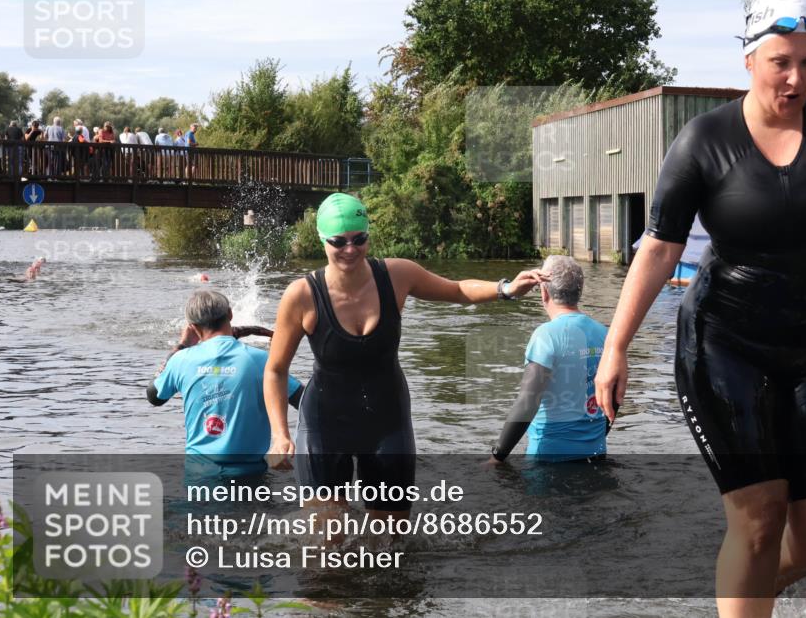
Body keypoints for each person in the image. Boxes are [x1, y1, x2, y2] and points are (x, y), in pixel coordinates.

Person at [592, 0, 806, 618]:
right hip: (723, 344)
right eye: (782, 62)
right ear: (749, 59)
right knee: (758, 516)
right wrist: (615, 347)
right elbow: (660, 248)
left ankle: (743, 596)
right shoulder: (703, 141)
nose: (797, 78)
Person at [263, 193, 547, 520]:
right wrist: (279, 433)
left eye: (360, 239)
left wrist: (505, 289)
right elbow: (275, 370)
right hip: (325, 423)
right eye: (338, 241)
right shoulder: (302, 295)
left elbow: (456, 290)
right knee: (325, 543)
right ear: (321, 239)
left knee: (391, 539)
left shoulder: (396, 275)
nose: (350, 249)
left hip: (387, 419)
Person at [148, 289, 303, 478]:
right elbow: (304, 400)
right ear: (230, 314)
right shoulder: (261, 360)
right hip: (250, 475)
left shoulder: (181, 360)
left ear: (192, 327)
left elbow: (154, 397)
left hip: (199, 474)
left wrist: (182, 345)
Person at [489, 255, 609, 464]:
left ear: (544, 292)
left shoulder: (546, 336)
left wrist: (498, 456)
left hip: (548, 457)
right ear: (579, 292)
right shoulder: (605, 335)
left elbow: (527, 402)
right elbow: (613, 398)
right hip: (596, 454)